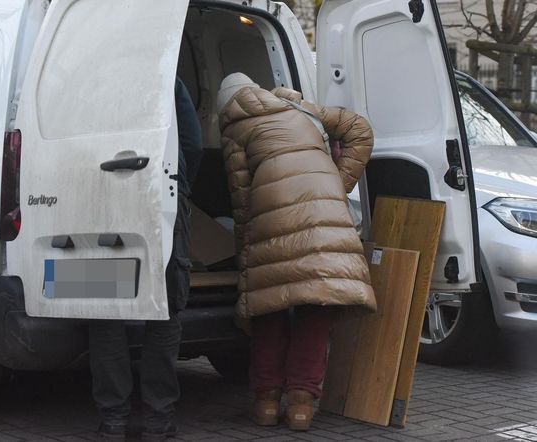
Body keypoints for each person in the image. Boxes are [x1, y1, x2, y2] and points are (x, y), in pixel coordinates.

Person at [216, 73, 377, 431]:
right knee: (315, 308)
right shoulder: (300, 108)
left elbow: (241, 199)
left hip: (272, 220)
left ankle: (267, 404)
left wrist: (244, 249)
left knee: (269, 311)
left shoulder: (234, 130)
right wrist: (335, 184)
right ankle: (302, 405)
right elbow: (360, 131)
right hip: (325, 216)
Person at [89, 77, 202, 441]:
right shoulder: (163, 70)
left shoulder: (89, 78)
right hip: (161, 194)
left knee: (107, 310)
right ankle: (158, 418)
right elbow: (193, 143)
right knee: (165, 308)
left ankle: (113, 420)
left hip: (103, 196)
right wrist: (181, 186)